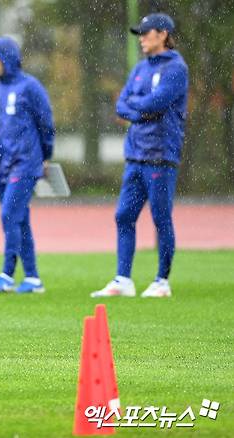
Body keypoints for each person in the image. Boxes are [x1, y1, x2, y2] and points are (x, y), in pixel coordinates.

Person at [91, 13, 188, 298]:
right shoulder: (140, 68)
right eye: (140, 34)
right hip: (135, 154)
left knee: (160, 218)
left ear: (163, 34)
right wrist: (139, 110)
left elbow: (157, 103)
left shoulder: (176, 68)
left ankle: (162, 282)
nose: (142, 38)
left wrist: (137, 108)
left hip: (160, 154)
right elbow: (121, 105)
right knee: (124, 215)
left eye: (146, 33)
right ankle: (123, 280)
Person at [0, 36, 55, 294]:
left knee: (9, 215)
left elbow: (46, 123)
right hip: (4, 163)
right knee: (20, 220)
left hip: (27, 162)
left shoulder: (30, 87)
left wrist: (46, 155)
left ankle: (7, 274)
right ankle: (33, 278)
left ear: (8, 58)